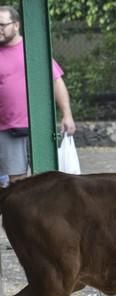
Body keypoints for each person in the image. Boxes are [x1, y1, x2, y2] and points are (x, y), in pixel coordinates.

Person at [0, 5, 76, 184]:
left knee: (44, 179)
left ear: (17, 25)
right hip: (6, 128)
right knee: (16, 181)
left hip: (38, 126)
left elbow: (56, 81)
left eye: (2, 25)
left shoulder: (33, 50)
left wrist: (67, 115)